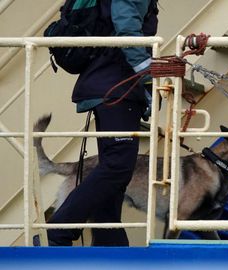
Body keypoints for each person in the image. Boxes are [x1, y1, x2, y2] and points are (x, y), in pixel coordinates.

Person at [46, 0, 159, 246]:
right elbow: (127, 27)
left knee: (114, 168)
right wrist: (147, 76)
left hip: (109, 85)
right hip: (117, 87)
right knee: (117, 167)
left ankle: (111, 243)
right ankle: (60, 229)